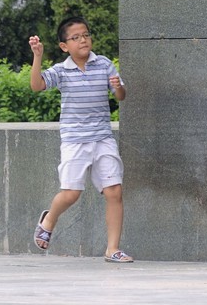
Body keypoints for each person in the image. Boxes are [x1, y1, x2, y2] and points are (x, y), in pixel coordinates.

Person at [28, 16, 132, 263]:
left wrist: (117, 87)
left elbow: (121, 96)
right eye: (75, 37)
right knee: (71, 193)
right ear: (64, 46)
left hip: (103, 139)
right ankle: (49, 219)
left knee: (114, 191)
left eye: (86, 35)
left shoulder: (104, 64)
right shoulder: (62, 71)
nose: (83, 40)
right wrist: (37, 56)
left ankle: (112, 249)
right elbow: (36, 85)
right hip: (75, 141)